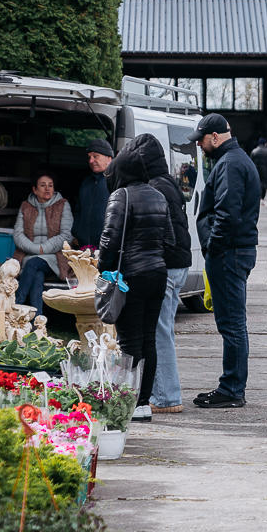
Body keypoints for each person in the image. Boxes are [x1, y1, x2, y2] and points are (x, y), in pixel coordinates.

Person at [98, 137, 175, 419]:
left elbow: (109, 239)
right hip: (157, 274)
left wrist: (103, 270)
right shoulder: (158, 195)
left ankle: (130, 402)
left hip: (131, 276)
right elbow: (170, 241)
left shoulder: (121, 196)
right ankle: (143, 402)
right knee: (148, 340)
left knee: (129, 341)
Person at [190, 113, 261, 408]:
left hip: (229, 252)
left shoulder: (230, 164)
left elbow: (228, 215)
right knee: (233, 323)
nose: (199, 145)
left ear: (215, 137)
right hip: (234, 250)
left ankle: (231, 389)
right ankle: (231, 385)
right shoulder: (235, 160)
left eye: (202, 140)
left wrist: (212, 247)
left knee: (231, 324)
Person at [135, 133, 192, 416]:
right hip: (180, 262)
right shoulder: (168, 182)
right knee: (163, 329)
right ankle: (164, 393)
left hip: (168, 265)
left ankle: (167, 397)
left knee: (159, 331)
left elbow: (160, 232)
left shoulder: (155, 187)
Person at [13, 171, 73, 317]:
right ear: (34, 189)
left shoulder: (62, 205)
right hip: (29, 254)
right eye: (43, 185)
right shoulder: (25, 206)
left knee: (33, 264)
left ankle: (15, 306)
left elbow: (66, 236)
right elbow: (18, 234)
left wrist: (43, 249)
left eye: (50, 185)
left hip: (55, 256)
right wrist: (36, 249)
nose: (47, 189)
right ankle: (37, 319)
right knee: (37, 275)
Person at [74, 139, 113, 249]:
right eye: (89, 157)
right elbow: (78, 211)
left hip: (107, 247)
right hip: (84, 246)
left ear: (109, 159)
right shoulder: (86, 182)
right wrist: (76, 233)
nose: (91, 161)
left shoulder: (116, 182)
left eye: (96, 156)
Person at [250, 137, 267, 202]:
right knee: (264, 184)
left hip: (256, 168)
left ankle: (257, 196)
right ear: (265, 144)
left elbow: (251, 161)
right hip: (265, 169)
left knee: (257, 182)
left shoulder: (254, 151)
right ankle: (262, 197)